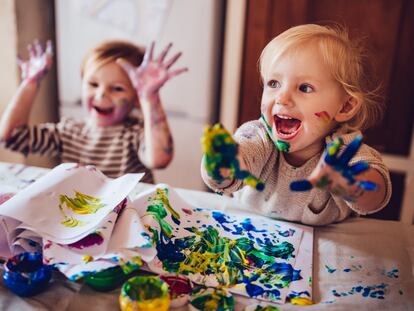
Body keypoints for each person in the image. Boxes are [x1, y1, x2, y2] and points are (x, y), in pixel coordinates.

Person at [201, 24, 392, 225]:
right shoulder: (259, 136)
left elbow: (375, 198)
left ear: (345, 106)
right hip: (246, 233)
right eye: (274, 83)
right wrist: (221, 166)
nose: (282, 98)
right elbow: (238, 160)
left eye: (304, 88)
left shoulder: (343, 152)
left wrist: (352, 185)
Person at [0, 39, 187, 182]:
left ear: (137, 98)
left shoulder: (134, 135)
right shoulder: (68, 132)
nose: (101, 95)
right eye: (93, 84)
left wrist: (150, 97)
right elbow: (10, 137)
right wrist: (30, 83)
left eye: (117, 88)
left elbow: (159, 159)